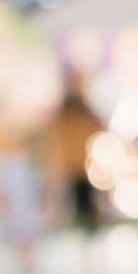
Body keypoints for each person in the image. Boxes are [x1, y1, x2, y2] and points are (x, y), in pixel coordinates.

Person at [48, 88, 102, 239]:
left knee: (85, 203)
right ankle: (84, 231)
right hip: (76, 165)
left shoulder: (79, 116)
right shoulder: (68, 118)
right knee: (79, 203)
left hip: (81, 166)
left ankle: (87, 232)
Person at [0, 127, 41, 274]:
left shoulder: (25, 162)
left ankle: (28, 264)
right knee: (16, 234)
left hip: (25, 205)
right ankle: (23, 263)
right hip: (15, 206)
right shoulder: (6, 163)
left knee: (27, 233)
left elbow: (32, 185)